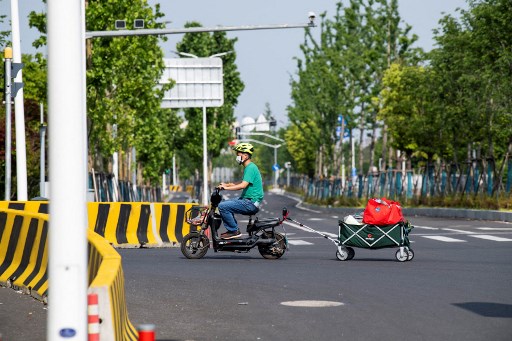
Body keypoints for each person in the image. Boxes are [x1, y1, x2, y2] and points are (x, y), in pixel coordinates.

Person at [218, 142, 263, 239]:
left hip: (250, 203)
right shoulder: (249, 167)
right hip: (247, 200)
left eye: (238, 154)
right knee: (224, 203)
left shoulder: (250, 168)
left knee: (222, 206)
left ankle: (233, 230)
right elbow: (242, 182)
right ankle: (233, 229)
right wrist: (226, 184)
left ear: (245, 155)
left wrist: (226, 188)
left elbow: (242, 185)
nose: (237, 156)